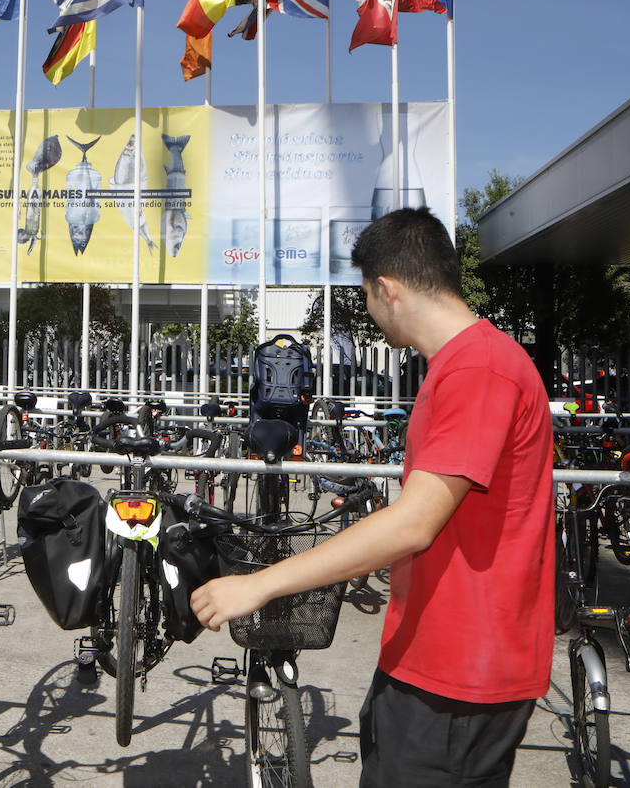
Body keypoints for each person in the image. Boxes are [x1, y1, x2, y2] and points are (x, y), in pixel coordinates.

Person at [190, 207, 555, 787]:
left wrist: (260, 584)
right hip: (430, 659)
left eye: (364, 295)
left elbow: (414, 524)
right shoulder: (460, 366)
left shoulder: (479, 370)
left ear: (386, 288)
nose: (368, 311)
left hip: (461, 672)